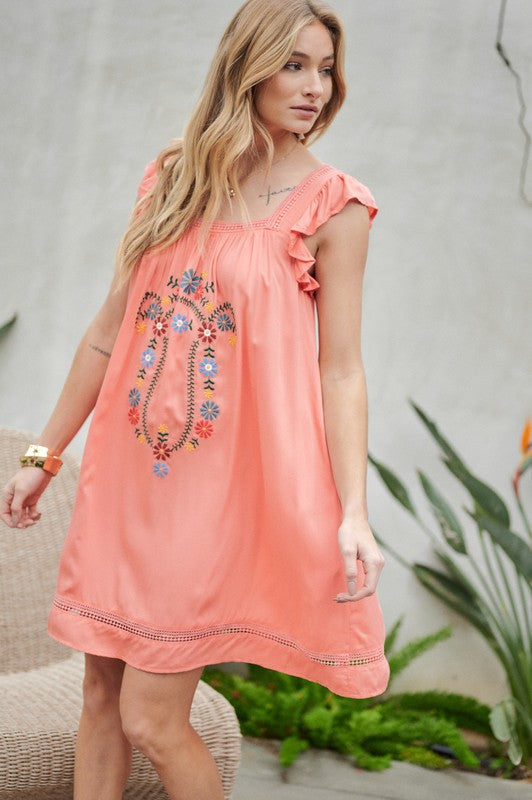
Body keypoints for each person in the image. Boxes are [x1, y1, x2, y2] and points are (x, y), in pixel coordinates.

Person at [1, 0, 389, 797]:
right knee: (100, 698)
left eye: (325, 69)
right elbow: (109, 334)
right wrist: (44, 456)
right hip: (125, 483)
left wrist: (353, 509)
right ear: (246, 66)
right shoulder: (173, 177)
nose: (315, 86)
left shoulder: (334, 206)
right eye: (295, 64)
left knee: (154, 719)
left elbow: (341, 369)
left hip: (213, 504)